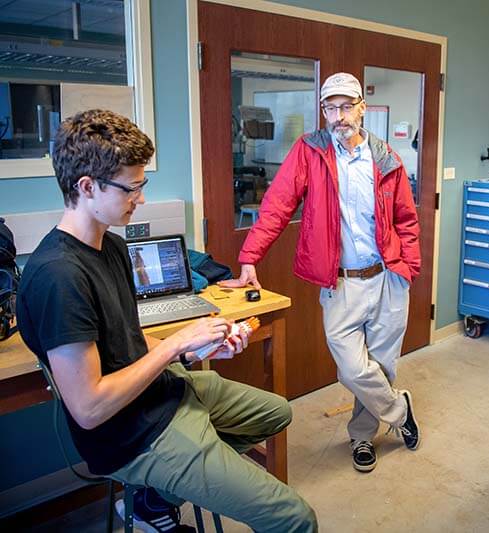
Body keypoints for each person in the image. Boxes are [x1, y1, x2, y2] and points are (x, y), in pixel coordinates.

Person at [16, 109, 317, 533]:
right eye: (132, 188)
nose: (140, 198)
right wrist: (177, 344)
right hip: (132, 434)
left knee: (276, 413)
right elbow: (89, 407)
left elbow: (130, 341)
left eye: (143, 185)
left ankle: (154, 501)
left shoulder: (113, 248)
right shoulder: (58, 277)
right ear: (86, 187)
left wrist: (197, 349)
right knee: (295, 518)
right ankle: (171, 480)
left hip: (164, 392)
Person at [220, 73, 421, 473]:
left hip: (387, 277)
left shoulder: (386, 158)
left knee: (381, 366)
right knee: (351, 366)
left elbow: (406, 220)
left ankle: (362, 435)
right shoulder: (310, 151)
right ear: (324, 111)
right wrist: (249, 257)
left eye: (347, 106)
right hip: (342, 281)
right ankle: (400, 411)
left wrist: (407, 268)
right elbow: (277, 205)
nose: (339, 116)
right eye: (331, 107)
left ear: (361, 108)